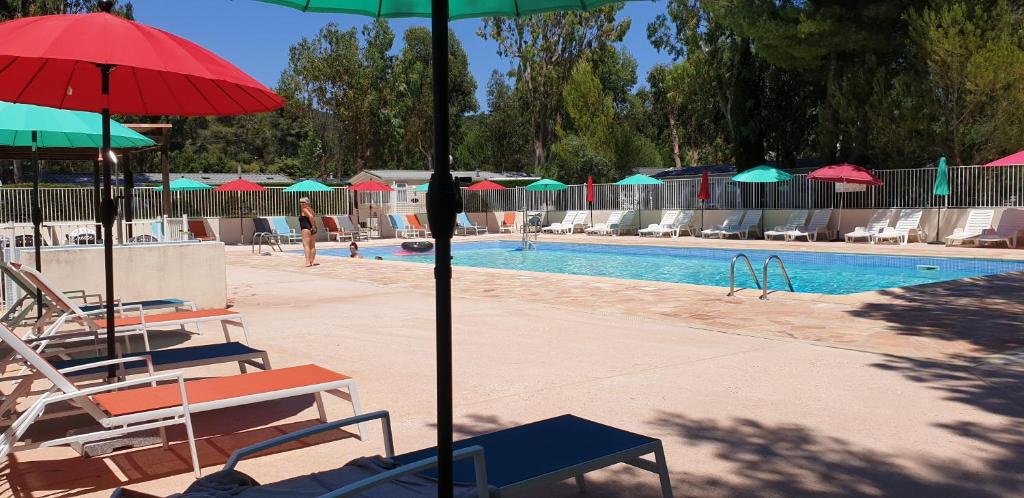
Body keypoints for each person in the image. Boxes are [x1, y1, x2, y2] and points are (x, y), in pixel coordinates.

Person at [299, 197, 317, 267]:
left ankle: (307, 262)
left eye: (303, 202)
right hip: (313, 228)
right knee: (312, 245)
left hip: (306, 228)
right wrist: (314, 227)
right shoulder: (311, 209)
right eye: (300, 202)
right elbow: (313, 217)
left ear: (307, 203)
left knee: (306, 245)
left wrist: (312, 226)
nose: (301, 203)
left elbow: (311, 217)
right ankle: (311, 261)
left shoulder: (304, 209)